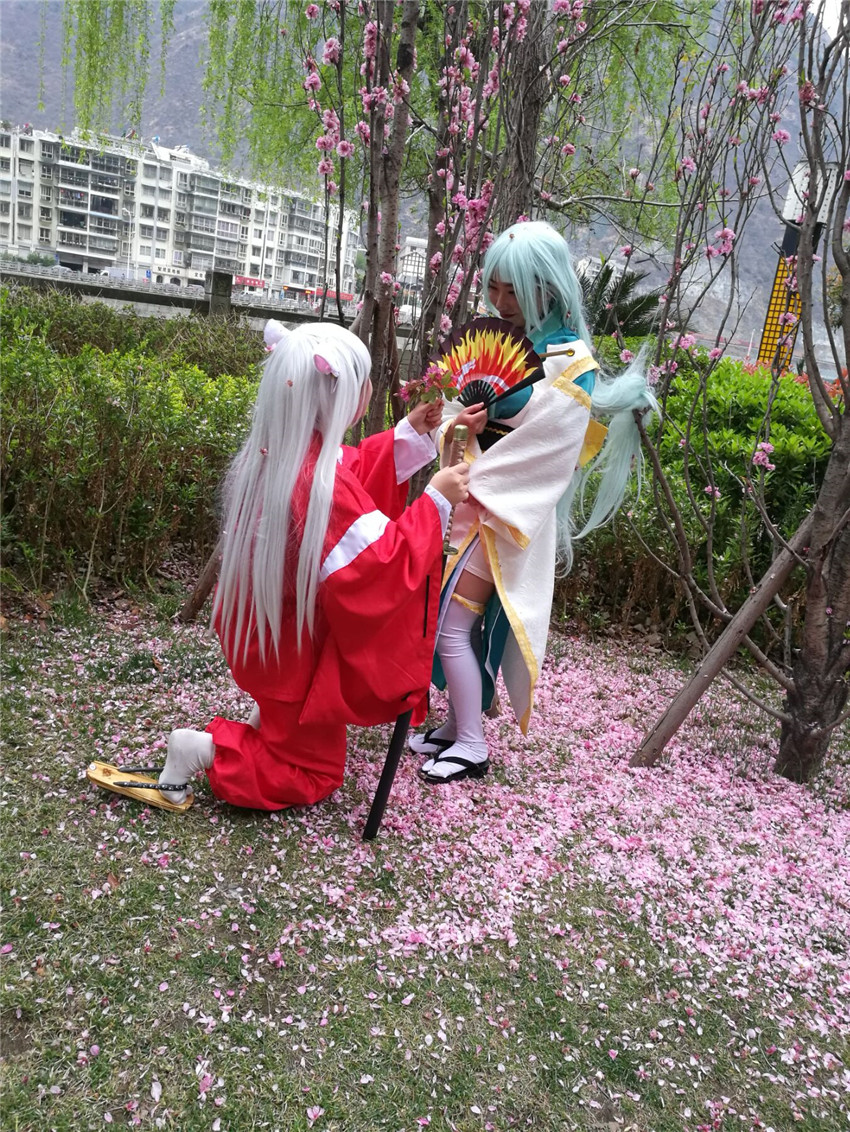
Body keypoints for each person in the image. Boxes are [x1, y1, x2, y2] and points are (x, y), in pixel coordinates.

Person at [157, 321, 469, 809]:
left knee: (293, 727)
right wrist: (436, 502)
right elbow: (379, 563)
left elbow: (356, 468)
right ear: (337, 395)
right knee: (312, 772)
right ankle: (199, 750)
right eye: (364, 382)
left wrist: (408, 434)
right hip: (294, 646)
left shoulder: (286, 455)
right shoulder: (318, 484)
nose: (370, 391)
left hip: (273, 633)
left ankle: (272, 724)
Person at [411, 219, 658, 784]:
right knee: (455, 622)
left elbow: (549, 452)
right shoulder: (508, 345)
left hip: (503, 515)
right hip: (473, 503)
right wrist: (460, 427)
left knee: (450, 624)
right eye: (494, 289)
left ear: (546, 287)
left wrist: (476, 469)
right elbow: (457, 419)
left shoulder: (571, 361)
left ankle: (471, 743)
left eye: (514, 292)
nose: (501, 304)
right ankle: (458, 725)